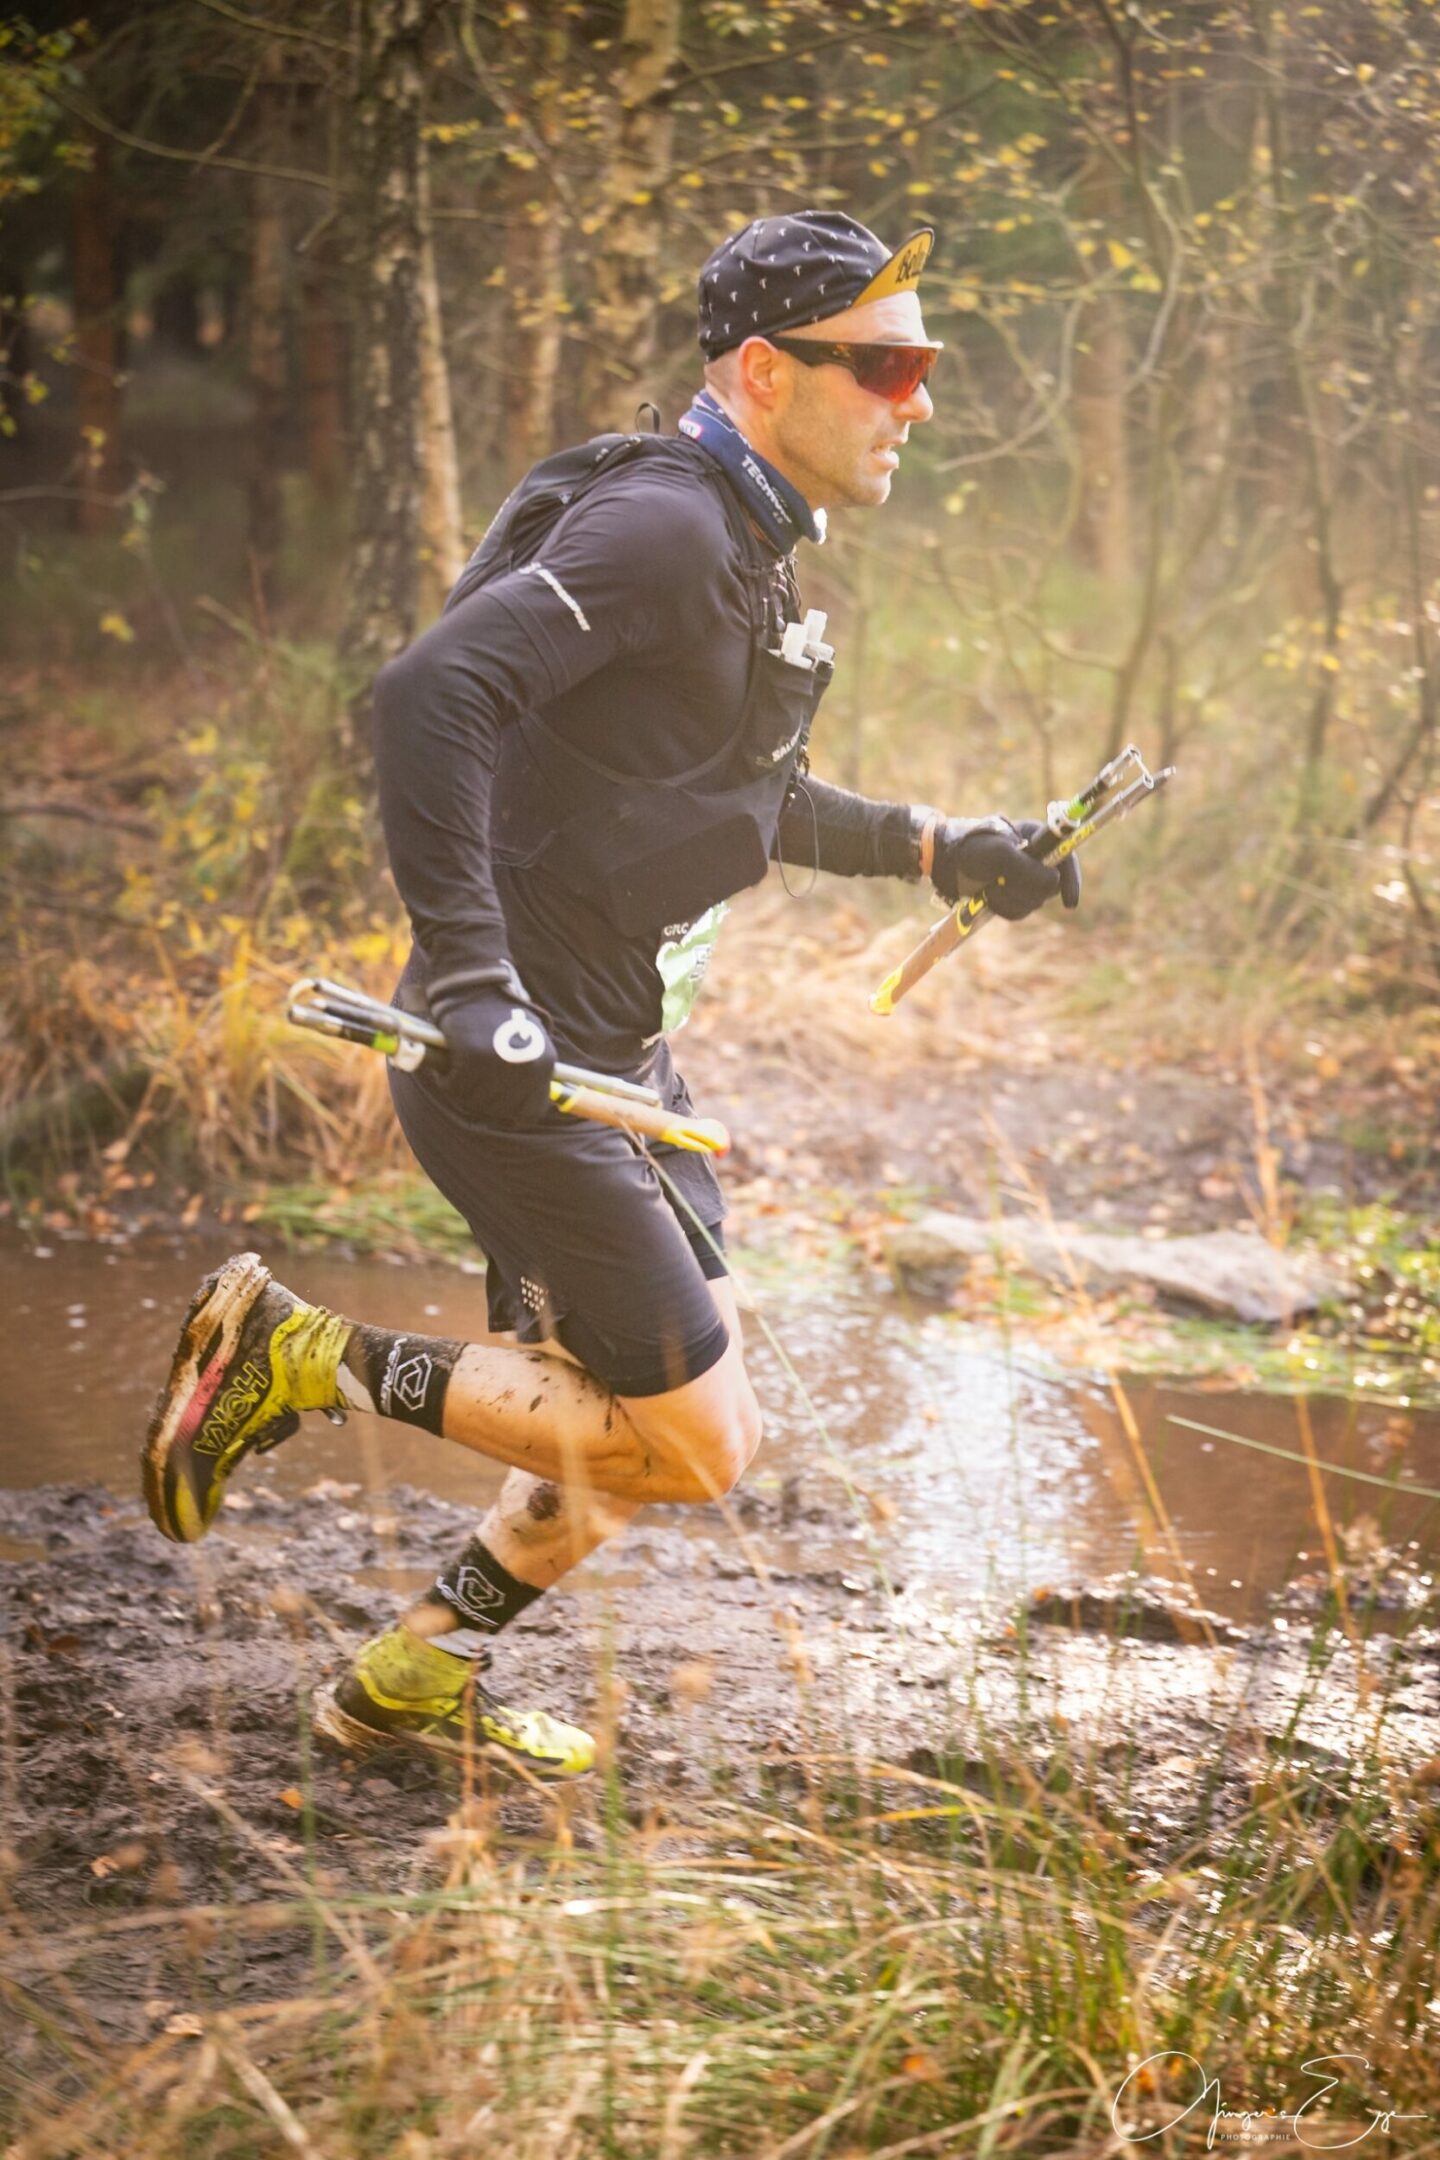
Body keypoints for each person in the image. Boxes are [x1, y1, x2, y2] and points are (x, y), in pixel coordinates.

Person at [141, 211, 1079, 1782]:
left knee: (618, 1419)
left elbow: (723, 794)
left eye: (926, 366)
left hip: (613, 1060)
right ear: (766, 372)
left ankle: (408, 1684)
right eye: (886, 367)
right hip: (515, 1059)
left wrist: (939, 846)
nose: (917, 401)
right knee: (701, 1442)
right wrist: (469, 978)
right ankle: (290, 1351)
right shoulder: (666, 529)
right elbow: (433, 690)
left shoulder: (740, 542)